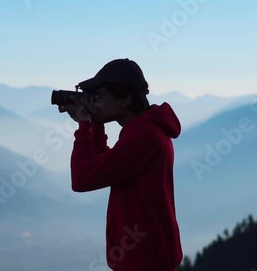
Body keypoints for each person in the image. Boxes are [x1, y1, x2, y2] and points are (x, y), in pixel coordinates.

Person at [58, 58, 183, 271]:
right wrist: (96, 128)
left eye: (101, 96)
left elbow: (82, 178)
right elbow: (110, 170)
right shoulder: (147, 130)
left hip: (144, 261)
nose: (95, 102)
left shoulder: (144, 136)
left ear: (125, 99)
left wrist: (83, 125)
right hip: (146, 257)